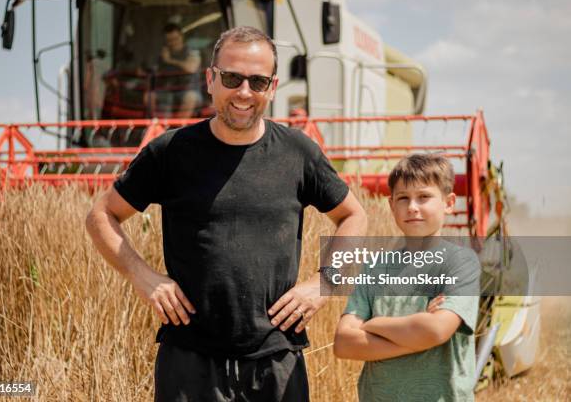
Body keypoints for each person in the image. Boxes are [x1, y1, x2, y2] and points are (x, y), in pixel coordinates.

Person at [86, 26, 367, 401]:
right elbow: (100, 215)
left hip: (276, 360)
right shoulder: (170, 152)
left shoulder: (298, 152)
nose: (244, 92)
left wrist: (324, 283)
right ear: (210, 79)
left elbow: (355, 216)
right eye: (232, 78)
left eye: (258, 81)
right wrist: (143, 277)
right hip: (189, 360)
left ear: (273, 86)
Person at [333, 153, 481, 402]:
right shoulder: (375, 268)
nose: (412, 207)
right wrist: (419, 334)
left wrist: (372, 325)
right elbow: (344, 343)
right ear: (391, 205)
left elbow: (436, 330)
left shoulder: (461, 263)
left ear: (449, 202)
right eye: (403, 198)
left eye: (424, 197)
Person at [148, 23, 202, 118]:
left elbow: (191, 68)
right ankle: (158, 127)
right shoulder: (162, 55)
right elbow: (153, 71)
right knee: (149, 96)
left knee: (191, 97)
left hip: (188, 90)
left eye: (175, 39)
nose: (173, 42)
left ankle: (178, 130)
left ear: (181, 37)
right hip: (167, 91)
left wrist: (170, 61)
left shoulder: (192, 51)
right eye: (169, 40)